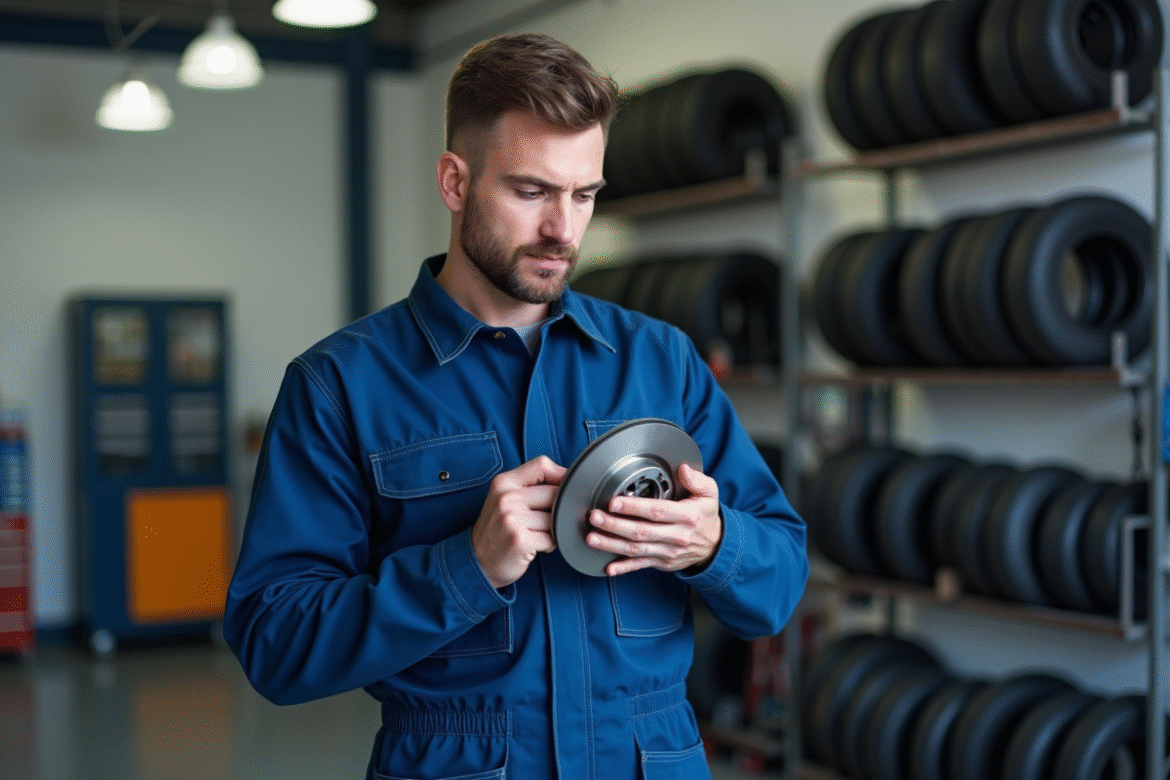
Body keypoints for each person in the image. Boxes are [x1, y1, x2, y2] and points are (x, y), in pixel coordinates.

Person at [223, 32, 808, 780]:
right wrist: (464, 567)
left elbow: (779, 584)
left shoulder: (660, 361)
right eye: (531, 192)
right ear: (454, 182)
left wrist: (714, 543)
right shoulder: (341, 385)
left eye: (584, 195)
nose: (563, 230)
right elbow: (275, 645)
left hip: (649, 753)